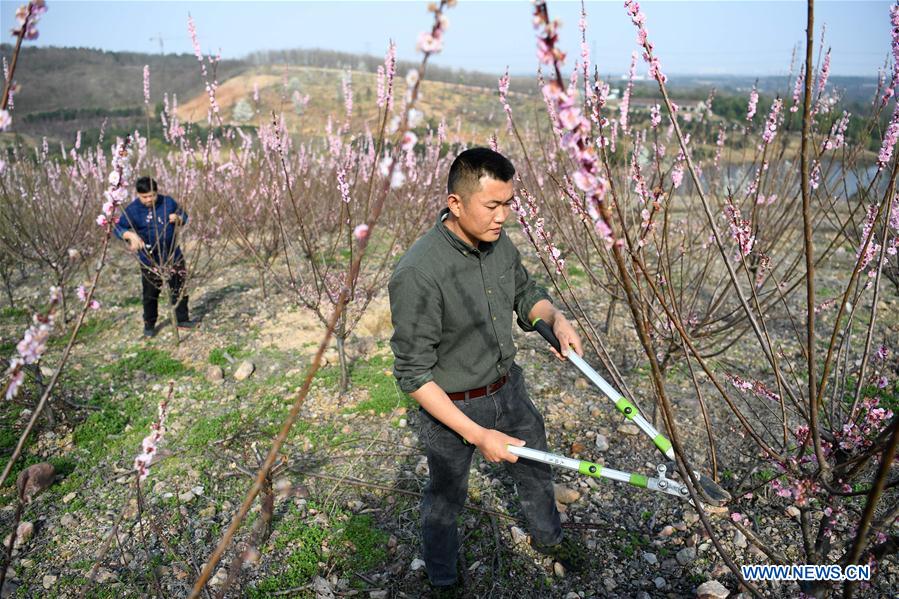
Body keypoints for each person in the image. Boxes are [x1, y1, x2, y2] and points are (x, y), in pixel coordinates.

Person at [388, 147, 586, 593]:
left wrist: (552, 317)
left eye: (509, 204)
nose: (503, 217)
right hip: (453, 407)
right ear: (455, 204)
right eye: (492, 206)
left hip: (508, 390)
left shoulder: (498, 244)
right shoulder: (419, 272)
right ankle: (442, 578)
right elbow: (414, 376)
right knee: (445, 497)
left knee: (537, 471)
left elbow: (524, 292)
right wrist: (477, 435)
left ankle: (551, 540)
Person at [114, 177, 194, 337]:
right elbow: (118, 226)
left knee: (179, 287)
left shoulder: (168, 202)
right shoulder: (132, 210)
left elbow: (184, 216)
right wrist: (129, 235)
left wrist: (179, 219)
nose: (150, 199)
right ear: (138, 194)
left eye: (153, 195)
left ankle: (182, 319)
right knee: (150, 294)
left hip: (172, 254)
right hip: (149, 258)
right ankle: (149, 324)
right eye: (145, 197)